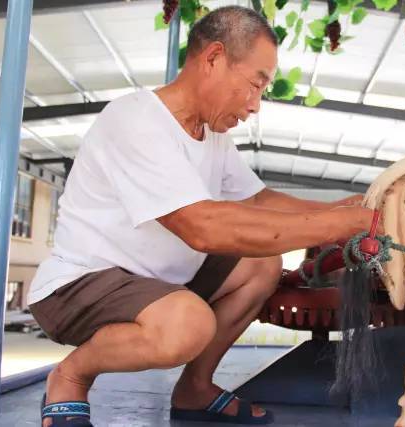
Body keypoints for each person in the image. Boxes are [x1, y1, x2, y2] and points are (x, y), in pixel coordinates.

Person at [28, 6, 374, 426]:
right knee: (189, 326)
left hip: (160, 282)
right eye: (255, 85)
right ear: (212, 58)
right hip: (83, 284)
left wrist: (359, 208)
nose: (255, 106)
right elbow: (203, 228)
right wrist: (346, 225)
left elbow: (259, 201)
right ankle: (72, 376)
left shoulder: (210, 137)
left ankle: (194, 388)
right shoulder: (136, 120)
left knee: (261, 265)